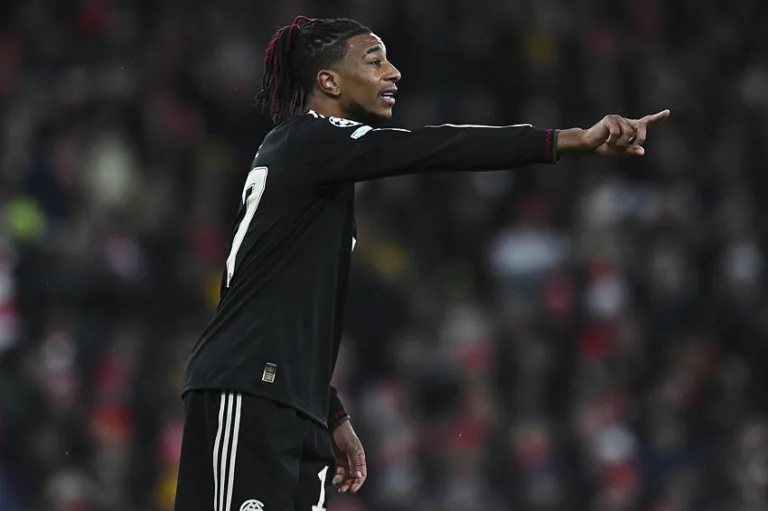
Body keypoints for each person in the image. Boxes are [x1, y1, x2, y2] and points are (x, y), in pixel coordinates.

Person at [173, 15, 669, 511]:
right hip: (248, 389)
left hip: (290, 396)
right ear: (329, 82)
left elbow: (285, 302)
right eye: (375, 61)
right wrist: (566, 139)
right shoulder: (308, 139)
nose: (394, 72)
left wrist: (328, 408)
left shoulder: (315, 170)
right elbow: (435, 146)